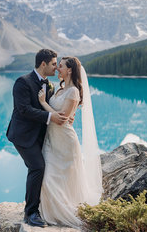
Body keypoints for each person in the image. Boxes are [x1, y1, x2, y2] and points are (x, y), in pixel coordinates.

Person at [6, 49, 68, 228]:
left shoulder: (50, 85)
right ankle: (31, 213)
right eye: (54, 64)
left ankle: (43, 207)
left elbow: (48, 106)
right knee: (37, 166)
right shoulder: (22, 82)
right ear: (44, 64)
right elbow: (23, 109)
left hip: (41, 135)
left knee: (41, 168)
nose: (56, 68)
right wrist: (50, 118)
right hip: (23, 135)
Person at [38, 56, 103, 228]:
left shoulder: (73, 91)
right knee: (48, 177)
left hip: (66, 142)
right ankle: (51, 212)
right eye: (57, 65)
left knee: (61, 179)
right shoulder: (59, 89)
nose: (57, 69)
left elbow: (61, 119)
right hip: (52, 141)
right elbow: (64, 115)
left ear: (70, 70)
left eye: (60, 66)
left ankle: (61, 215)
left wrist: (43, 103)